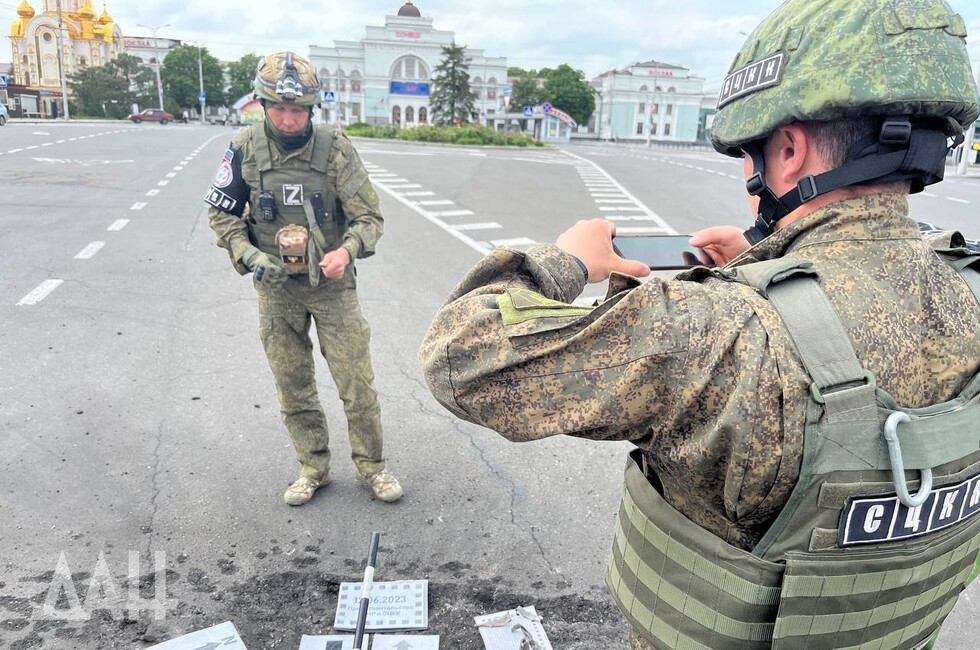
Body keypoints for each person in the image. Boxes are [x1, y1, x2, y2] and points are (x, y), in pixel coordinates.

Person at [418, 1, 980, 648]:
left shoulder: (720, 331)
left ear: (789, 151)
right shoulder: (968, 289)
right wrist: (772, 264)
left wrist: (567, 259)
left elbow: (462, 357)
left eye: (751, 153)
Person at [205, 51, 402, 506]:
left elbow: (368, 217)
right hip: (276, 290)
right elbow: (223, 215)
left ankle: (373, 467)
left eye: (299, 110)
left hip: (332, 286)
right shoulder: (244, 146)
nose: (290, 119)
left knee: (356, 382)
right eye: (280, 109)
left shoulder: (335, 147)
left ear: (312, 109)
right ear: (262, 105)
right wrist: (250, 254)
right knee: (292, 383)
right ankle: (312, 467)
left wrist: (346, 251)